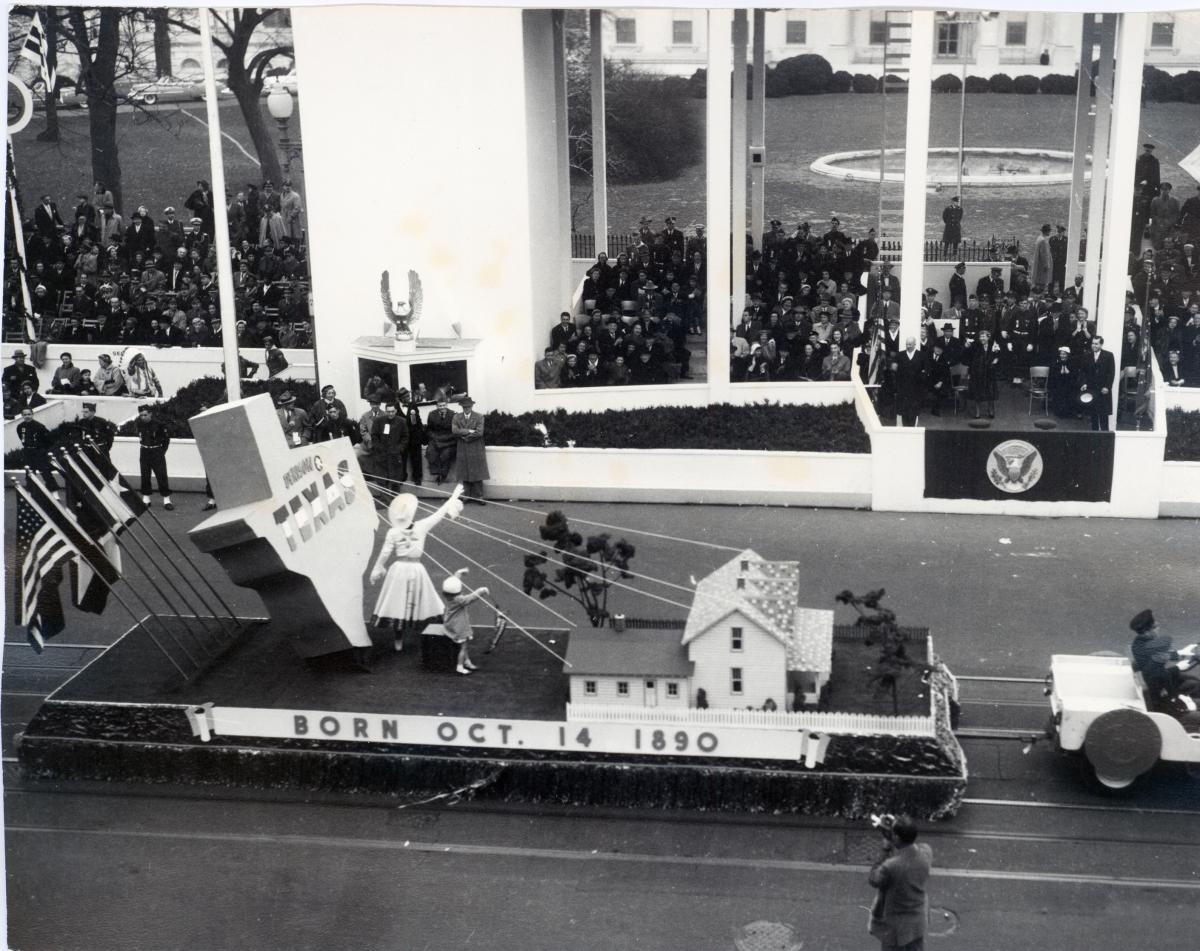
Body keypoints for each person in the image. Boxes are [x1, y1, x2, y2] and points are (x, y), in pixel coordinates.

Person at [369, 487, 465, 652]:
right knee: (399, 603)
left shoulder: (413, 528)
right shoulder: (404, 530)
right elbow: (385, 552)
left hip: (408, 569)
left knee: (421, 601)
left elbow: (385, 554)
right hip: (405, 569)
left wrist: (378, 568)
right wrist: (377, 568)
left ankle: (423, 636)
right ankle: (401, 638)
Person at [868, 815, 933, 951]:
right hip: (917, 923)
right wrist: (899, 833)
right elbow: (910, 848)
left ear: (896, 837)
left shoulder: (892, 866)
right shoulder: (926, 852)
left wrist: (886, 847)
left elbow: (874, 879)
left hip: (895, 929)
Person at [440, 570, 489, 675]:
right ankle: (460, 667)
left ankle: (467, 662)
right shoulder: (460, 600)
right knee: (463, 647)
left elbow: (453, 583)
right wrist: (481, 590)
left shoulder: (449, 597)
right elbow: (472, 597)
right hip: (459, 627)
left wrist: (459, 573)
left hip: (450, 624)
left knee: (463, 645)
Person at [452, 395, 489, 503]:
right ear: (462, 407)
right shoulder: (456, 417)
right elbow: (454, 430)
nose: (466, 408)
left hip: (476, 447)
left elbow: (479, 432)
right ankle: (466, 496)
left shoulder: (479, 417)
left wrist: (464, 435)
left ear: (472, 406)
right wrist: (469, 431)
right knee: (464, 470)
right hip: (462, 447)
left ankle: (479, 496)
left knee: (477, 470)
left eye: (468, 406)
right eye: (464, 407)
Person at [135, 404, 173, 509]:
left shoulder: (159, 425)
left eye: (145, 415)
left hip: (156, 451)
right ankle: (146, 499)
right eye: (141, 415)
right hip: (144, 451)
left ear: (150, 414)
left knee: (161, 475)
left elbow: (166, 440)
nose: (143, 417)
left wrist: (161, 452)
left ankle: (166, 500)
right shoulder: (139, 424)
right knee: (145, 475)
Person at [17, 408, 60, 493]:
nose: (27, 416)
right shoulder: (20, 427)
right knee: (29, 472)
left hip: (39, 452)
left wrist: (42, 450)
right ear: (22, 416)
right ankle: (30, 491)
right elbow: (22, 439)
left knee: (45, 472)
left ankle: (54, 491)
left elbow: (48, 440)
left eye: (29, 414)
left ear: (32, 414)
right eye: (25, 415)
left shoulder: (39, 426)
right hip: (28, 452)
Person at [1079, 335, 1115, 431]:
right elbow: (1082, 372)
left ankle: (1105, 439)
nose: (1093, 345)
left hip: (1103, 389)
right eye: (1092, 343)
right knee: (1093, 415)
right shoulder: (1087, 355)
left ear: (1101, 344)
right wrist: (1083, 383)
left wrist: (1107, 387)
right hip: (1091, 389)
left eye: (1096, 344)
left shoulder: (1108, 355)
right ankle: (1094, 437)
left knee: (1103, 415)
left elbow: (1111, 373)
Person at [891, 337, 926, 427]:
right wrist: (894, 366)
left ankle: (913, 427)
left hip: (915, 388)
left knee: (914, 410)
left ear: (915, 344)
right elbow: (894, 367)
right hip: (903, 387)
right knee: (903, 409)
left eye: (910, 344)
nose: (908, 346)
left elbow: (926, 370)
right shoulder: (900, 355)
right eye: (907, 344)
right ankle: (904, 427)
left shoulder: (921, 355)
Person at [964, 329, 1000, 419]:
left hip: (989, 373)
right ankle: (977, 412)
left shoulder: (993, 345)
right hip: (977, 373)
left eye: (984, 337)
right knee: (977, 393)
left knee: (991, 393)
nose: (982, 339)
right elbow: (966, 355)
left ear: (988, 337)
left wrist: (996, 360)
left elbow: (998, 356)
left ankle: (991, 410)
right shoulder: (976, 345)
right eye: (981, 337)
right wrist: (966, 346)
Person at [425, 391, 458, 485]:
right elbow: (429, 430)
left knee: (445, 454)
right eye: (440, 406)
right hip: (435, 439)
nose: (442, 408)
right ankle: (436, 472)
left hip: (449, 440)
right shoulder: (431, 415)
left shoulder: (453, 415)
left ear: (447, 405)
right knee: (431, 452)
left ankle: (443, 475)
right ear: (437, 406)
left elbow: (455, 431)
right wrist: (434, 437)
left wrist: (444, 438)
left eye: (443, 405)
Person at [371, 402, 408, 486]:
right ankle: (384, 499)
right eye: (388, 411)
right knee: (382, 481)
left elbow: (405, 437)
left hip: (395, 455)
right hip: (382, 455)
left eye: (392, 411)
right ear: (385, 411)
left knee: (395, 481)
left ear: (396, 411)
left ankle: (395, 498)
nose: (390, 413)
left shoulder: (402, 421)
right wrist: (379, 448)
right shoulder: (378, 421)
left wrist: (399, 449)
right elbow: (374, 436)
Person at [1047, 346, 1078, 418]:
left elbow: (1075, 376)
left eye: (1064, 354)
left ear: (1067, 355)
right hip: (1059, 384)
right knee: (1059, 391)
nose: (1062, 356)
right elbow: (1053, 376)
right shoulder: (1057, 363)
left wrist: (1068, 373)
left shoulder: (1072, 363)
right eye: (1061, 354)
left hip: (1069, 385)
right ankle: (1059, 411)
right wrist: (1059, 373)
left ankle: (1068, 412)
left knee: (1068, 391)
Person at [1032, 224, 1054, 288]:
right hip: (1042, 266)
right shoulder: (1043, 240)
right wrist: (1046, 265)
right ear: (1047, 231)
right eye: (1049, 231)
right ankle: (1040, 295)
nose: (1050, 232)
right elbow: (1044, 254)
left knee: (1039, 282)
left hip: (1039, 265)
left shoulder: (1039, 238)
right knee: (1042, 282)